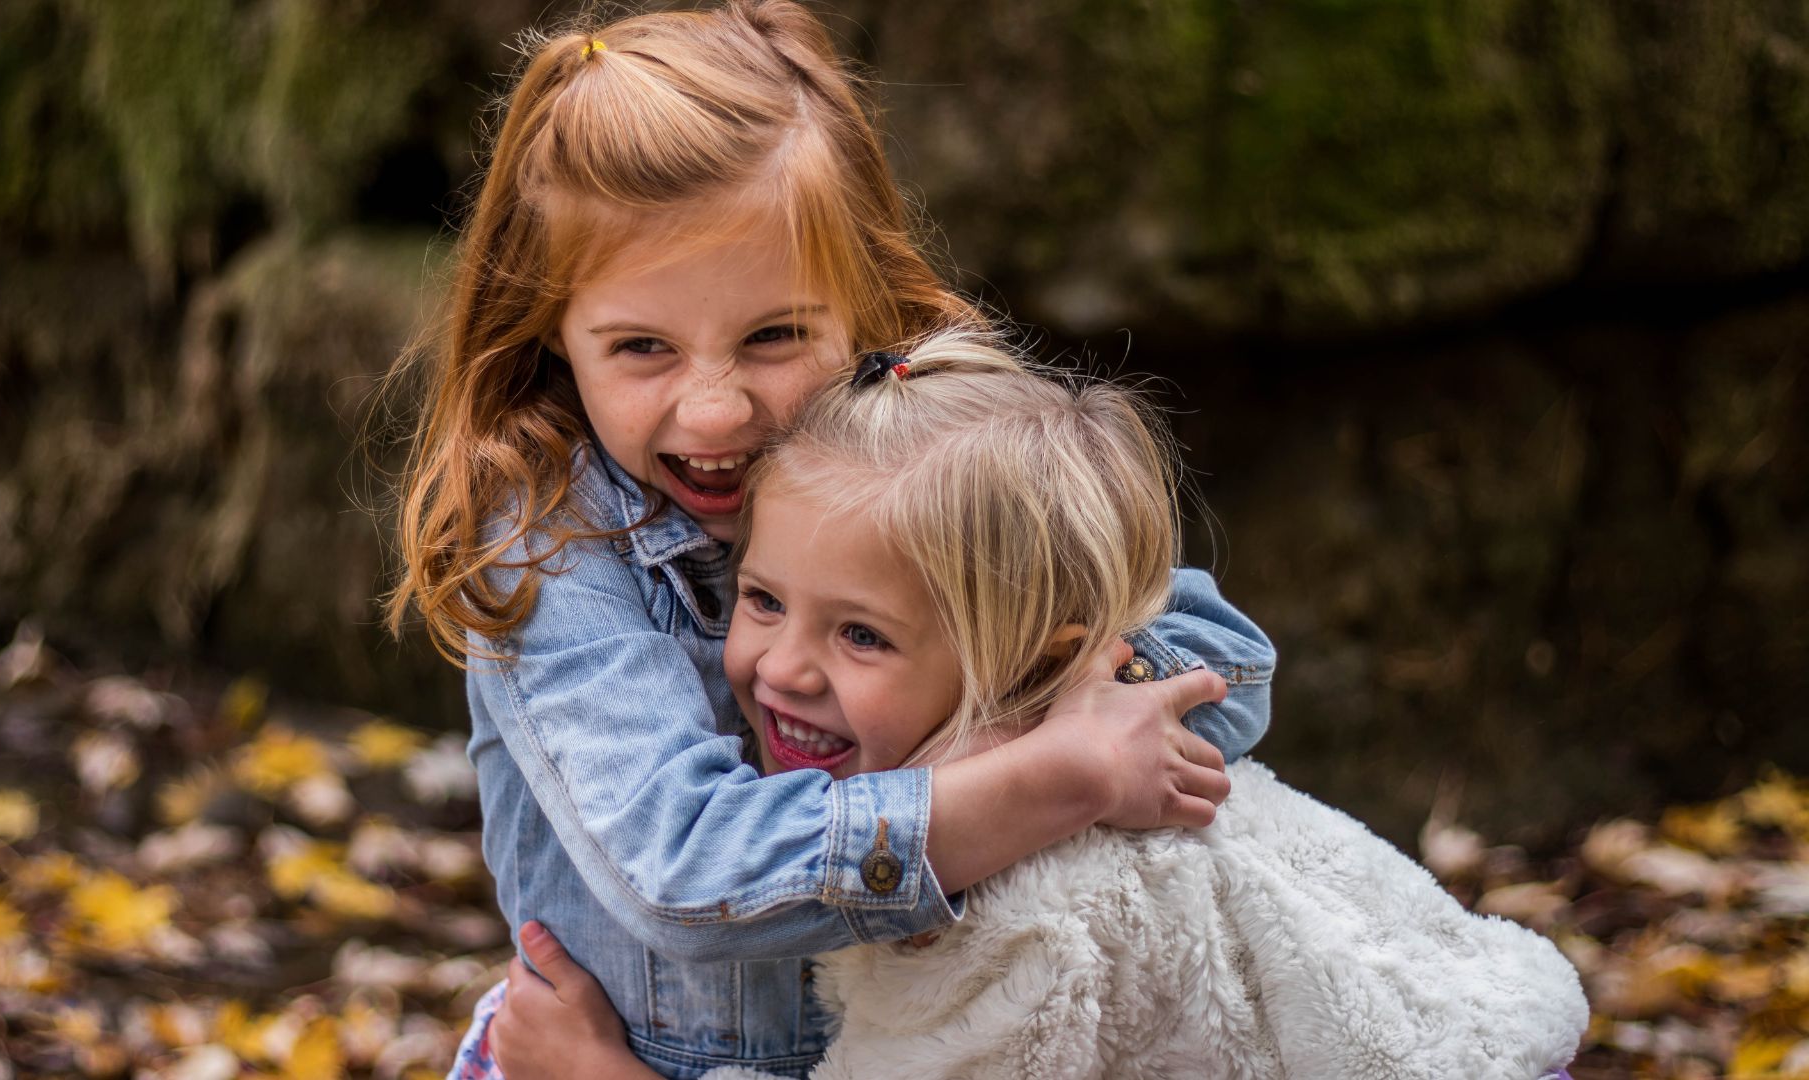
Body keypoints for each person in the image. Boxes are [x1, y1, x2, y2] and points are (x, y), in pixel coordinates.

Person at [384, 3, 1276, 1077]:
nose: (715, 412)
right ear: (549, 334)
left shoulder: (917, 458)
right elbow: (685, 870)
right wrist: (1052, 777)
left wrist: (1062, 708)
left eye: (773, 336)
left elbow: (1219, 668)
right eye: (641, 348)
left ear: (860, 303)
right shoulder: (547, 542)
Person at [488, 332, 1590, 1080]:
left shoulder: (1024, 907)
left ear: (1034, 662)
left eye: (862, 635)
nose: (782, 669)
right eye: (762, 599)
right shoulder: (1057, 751)